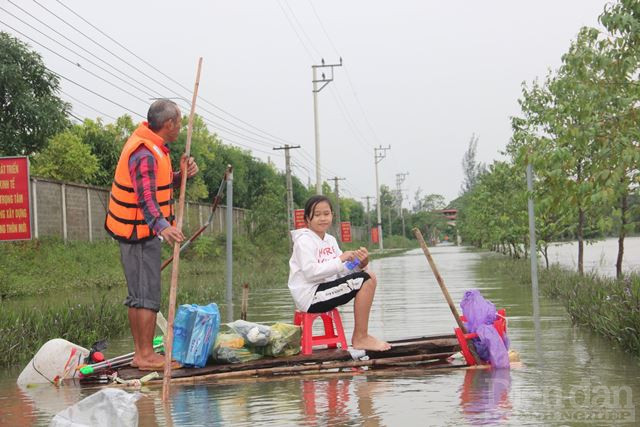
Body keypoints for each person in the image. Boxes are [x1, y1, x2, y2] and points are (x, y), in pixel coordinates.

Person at [104, 99, 198, 370]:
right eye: (179, 123)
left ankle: (141, 353)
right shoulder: (144, 152)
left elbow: (161, 185)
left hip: (139, 231)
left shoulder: (155, 149)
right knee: (146, 296)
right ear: (168, 124)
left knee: (139, 295)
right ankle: (145, 355)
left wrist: (182, 175)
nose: (180, 128)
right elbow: (145, 198)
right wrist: (163, 227)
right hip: (138, 233)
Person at [288, 195, 391, 352]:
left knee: (368, 274)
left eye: (326, 213)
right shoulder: (304, 241)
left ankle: (362, 336)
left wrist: (359, 263)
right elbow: (310, 273)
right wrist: (341, 258)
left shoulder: (330, 240)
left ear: (332, 216)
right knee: (368, 279)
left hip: (325, 290)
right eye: (317, 215)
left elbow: (341, 271)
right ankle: (360, 338)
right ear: (307, 219)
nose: (322, 218)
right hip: (310, 296)